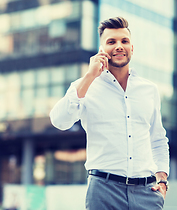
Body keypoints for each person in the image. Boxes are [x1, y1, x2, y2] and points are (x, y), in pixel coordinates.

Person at [49, 16, 169, 210]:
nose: (119, 46)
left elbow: (158, 139)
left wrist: (162, 179)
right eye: (111, 42)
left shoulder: (149, 90)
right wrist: (89, 76)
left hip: (147, 193)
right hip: (104, 191)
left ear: (132, 48)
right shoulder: (85, 86)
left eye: (124, 41)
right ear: (101, 50)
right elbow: (59, 121)